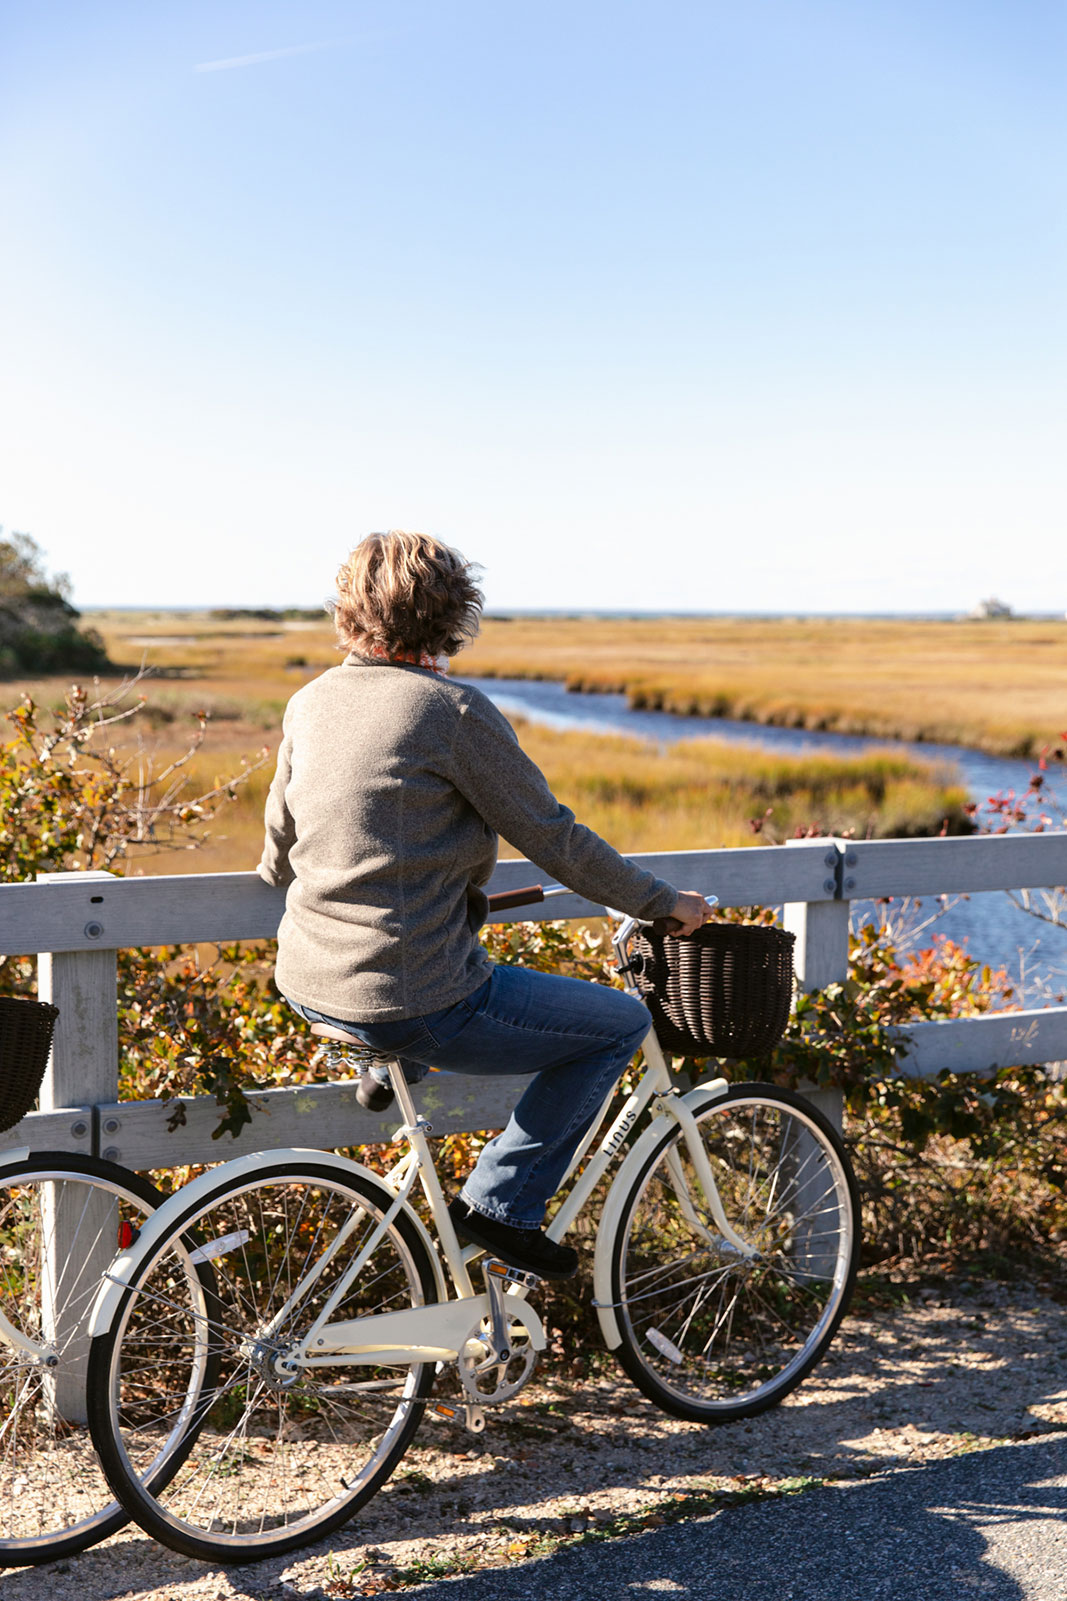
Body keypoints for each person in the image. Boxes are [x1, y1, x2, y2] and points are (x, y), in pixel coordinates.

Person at [257, 531, 711, 1279]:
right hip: (408, 994)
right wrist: (662, 902)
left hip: (309, 980)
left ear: (347, 615)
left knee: (431, 981)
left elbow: (278, 849)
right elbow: (553, 838)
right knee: (619, 1023)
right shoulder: (451, 711)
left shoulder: (310, 703)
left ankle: (391, 1056)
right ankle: (502, 1207)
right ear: (450, 615)